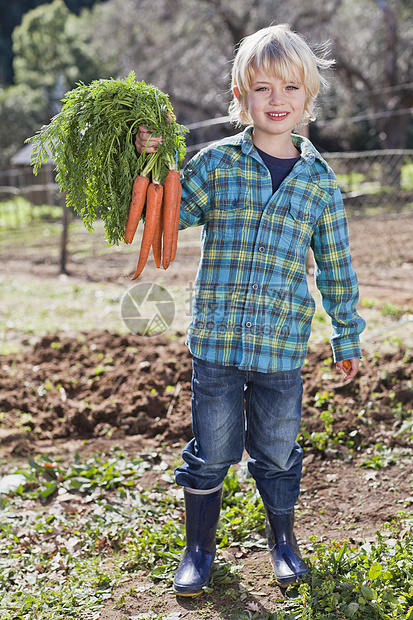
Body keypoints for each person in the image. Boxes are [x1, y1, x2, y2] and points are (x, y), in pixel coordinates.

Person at [135, 23, 366, 596]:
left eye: (290, 89)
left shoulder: (319, 185)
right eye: (263, 89)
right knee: (212, 451)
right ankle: (198, 549)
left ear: (308, 98)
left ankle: (283, 543)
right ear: (240, 98)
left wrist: (347, 337)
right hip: (216, 345)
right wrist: (149, 160)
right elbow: (162, 214)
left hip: (281, 349)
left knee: (277, 450)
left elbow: (336, 268)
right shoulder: (216, 166)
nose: (277, 100)